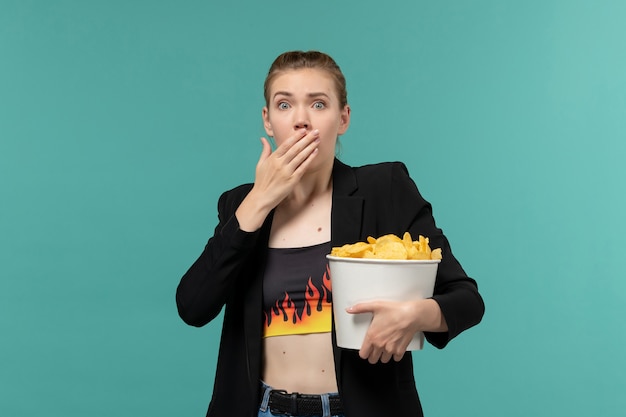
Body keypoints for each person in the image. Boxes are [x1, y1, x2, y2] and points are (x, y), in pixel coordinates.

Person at [176, 50, 484, 417]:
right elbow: (192, 306)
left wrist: (416, 315)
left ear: (343, 118)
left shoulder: (385, 189)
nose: (301, 120)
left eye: (318, 104)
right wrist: (259, 201)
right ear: (268, 120)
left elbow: (467, 299)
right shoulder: (240, 204)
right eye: (284, 104)